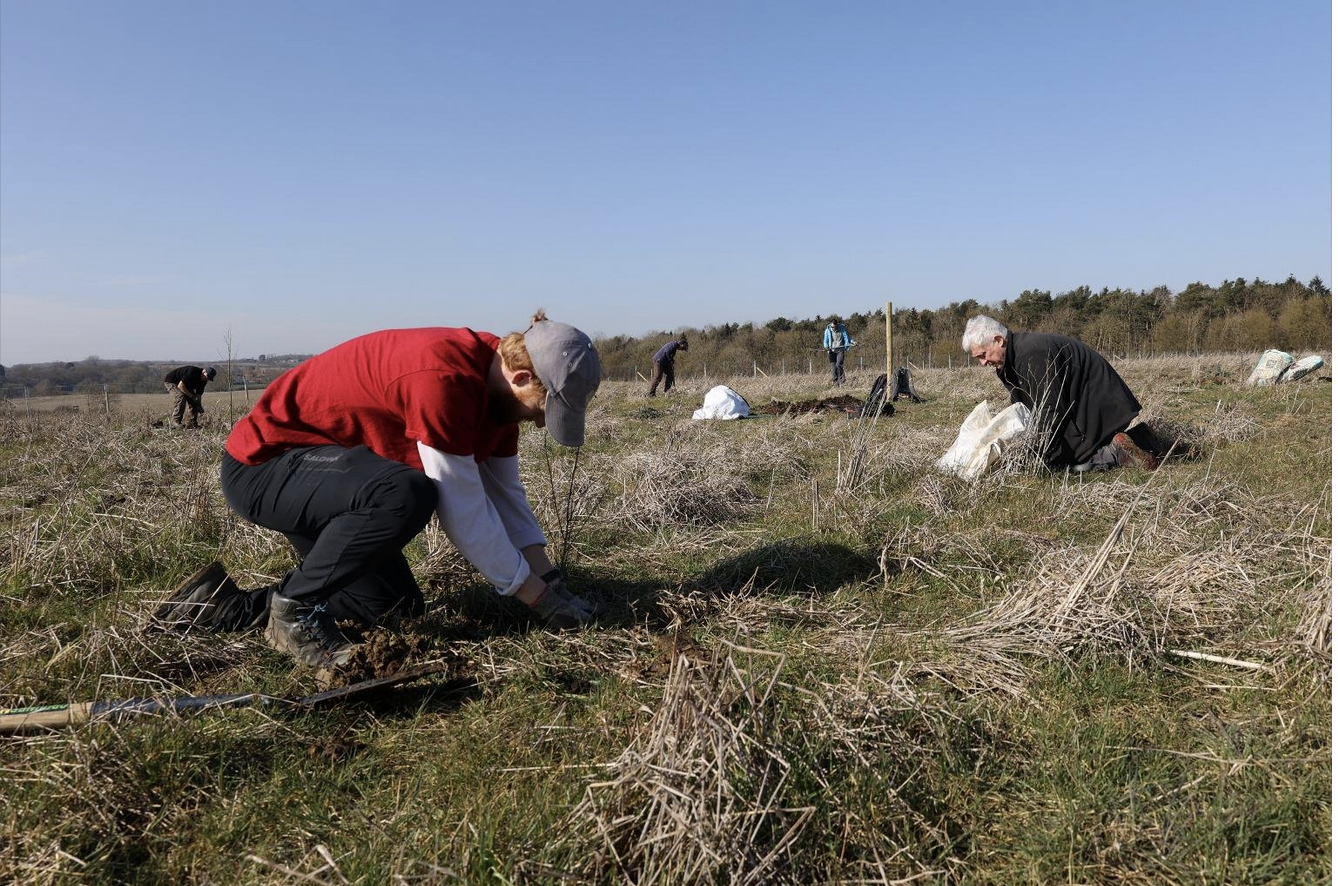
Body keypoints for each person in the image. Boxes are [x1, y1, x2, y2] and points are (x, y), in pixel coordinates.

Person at [153, 312, 602, 669]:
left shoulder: (499, 397)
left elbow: (506, 497)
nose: (542, 422)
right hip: (264, 467)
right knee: (407, 493)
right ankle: (294, 608)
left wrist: (551, 581)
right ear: (522, 377)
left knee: (394, 609)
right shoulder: (443, 380)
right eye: (545, 409)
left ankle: (213, 607)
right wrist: (536, 599)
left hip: (331, 480)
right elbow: (462, 510)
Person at [961, 315, 1160, 472]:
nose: (982, 363)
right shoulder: (1011, 361)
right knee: (1049, 454)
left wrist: (1038, 452)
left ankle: (1119, 450)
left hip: (1101, 406)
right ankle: (1141, 437)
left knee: (1064, 463)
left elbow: (1050, 408)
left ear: (998, 340)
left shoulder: (1031, 354)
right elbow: (1025, 407)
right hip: (1082, 405)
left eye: (983, 355)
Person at [823, 319, 853, 385]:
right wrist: (826, 346)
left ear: (837, 326)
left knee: (839, 365)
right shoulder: (828, 330)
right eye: (831, 326)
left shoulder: (842, 329)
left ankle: (842, 380)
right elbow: (825, 340)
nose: (832, 328)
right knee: (833, 368)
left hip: (840, 350)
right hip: (832, 351)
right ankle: (835, 383)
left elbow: (847, 338)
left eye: (834, 327)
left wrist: (852, 342)